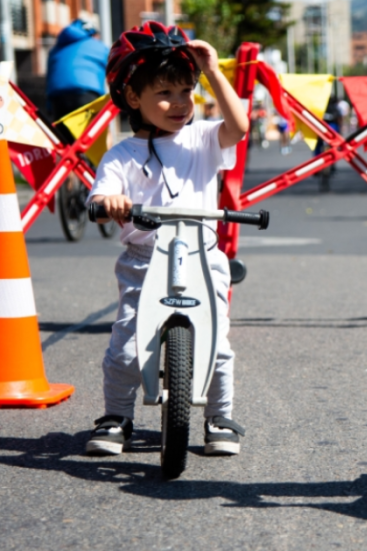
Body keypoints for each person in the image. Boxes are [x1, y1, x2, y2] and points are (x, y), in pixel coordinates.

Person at [84, 22, 249, 457]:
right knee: (126, 345)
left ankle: (220, 416)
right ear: (133, 98)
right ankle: (117, 416)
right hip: (144, 257)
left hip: (201, 254)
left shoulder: (202, 139)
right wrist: (111, 200)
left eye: (185, 91)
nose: (178, 104)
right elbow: (100, 194)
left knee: (217, 343)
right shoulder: (122, 154)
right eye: (164, 93)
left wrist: (212, 70)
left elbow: (240, 124)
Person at [46, 19, 109, 120]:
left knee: (62, 134)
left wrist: (49, 107)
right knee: (95, 132)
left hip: (58, 99)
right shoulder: (98, 46)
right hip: (88, 94)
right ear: (93, 34)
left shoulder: (55, 49)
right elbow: (115, 68)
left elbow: (49, 78)